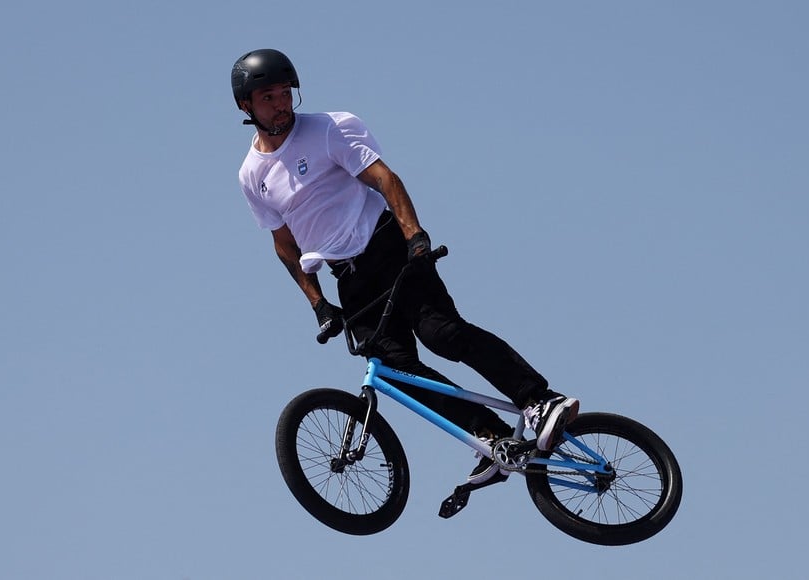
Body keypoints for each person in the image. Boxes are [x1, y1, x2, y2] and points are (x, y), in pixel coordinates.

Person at [232, 49, 579, 486]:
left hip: (387, 247)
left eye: (286, 94)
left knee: (442, 333)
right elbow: (284, 244)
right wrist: (318, 304)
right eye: (269, 97)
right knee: (395, 372)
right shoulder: (251, 175)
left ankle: (540, 400)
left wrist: (414, 234)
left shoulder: (328, 130)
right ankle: (491, 437)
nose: (281, 103)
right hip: (349, 278)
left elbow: (382, 178)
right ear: (246, 105)